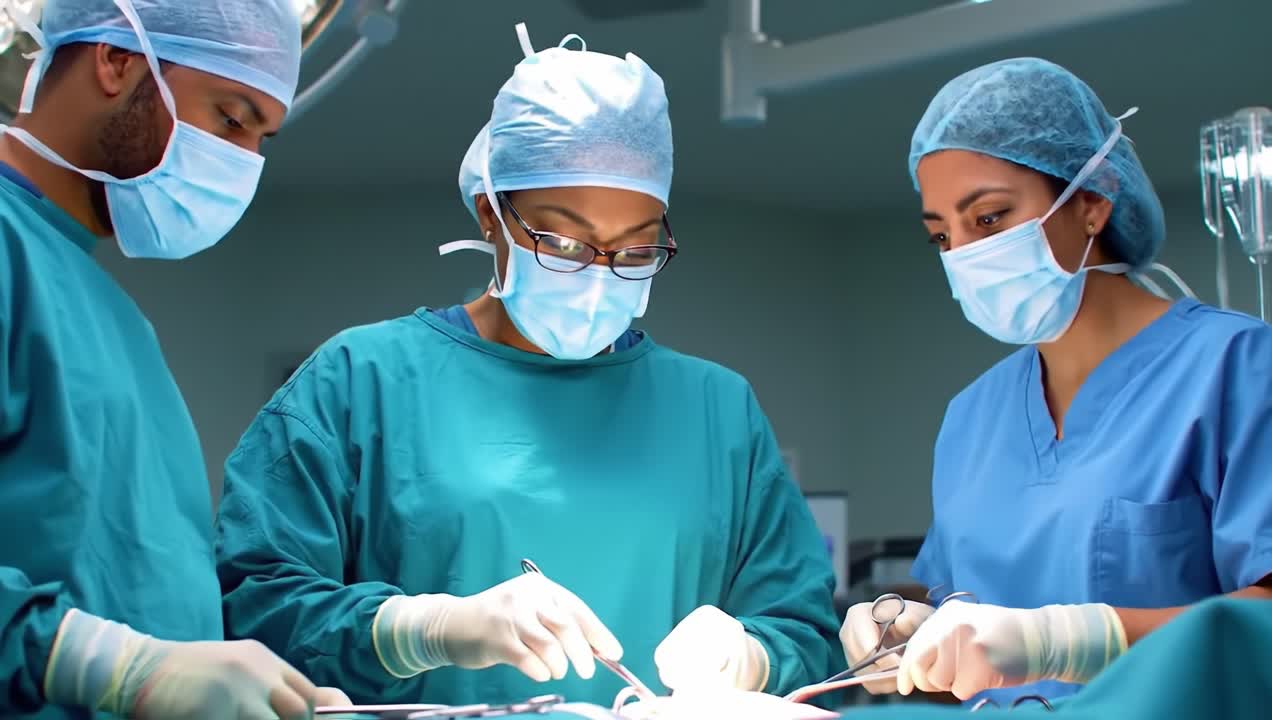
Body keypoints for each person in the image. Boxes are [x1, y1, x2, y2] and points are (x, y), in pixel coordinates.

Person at [215, 23, 841, 708]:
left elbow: (806, 634)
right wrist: (421, 631)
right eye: (565, 244)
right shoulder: (358, 382)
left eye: (634, 250)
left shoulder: (718, 409)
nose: (601, 276)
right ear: (492, 215)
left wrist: (750, 656)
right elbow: (252, 610)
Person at [839, 57, 1272, 707]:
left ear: (1093, 203)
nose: (964, 253)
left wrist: (1070, 638)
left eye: (987, 218)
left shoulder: (1239, 369)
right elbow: (968, 611)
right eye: (942, 236)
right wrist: (907, 628)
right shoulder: (973, 416)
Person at [0, 1, 348, 718]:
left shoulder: (109, 312)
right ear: (117, 61)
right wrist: (106, 667)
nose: (243, 162)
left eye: (261, 138)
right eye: (231, 118)